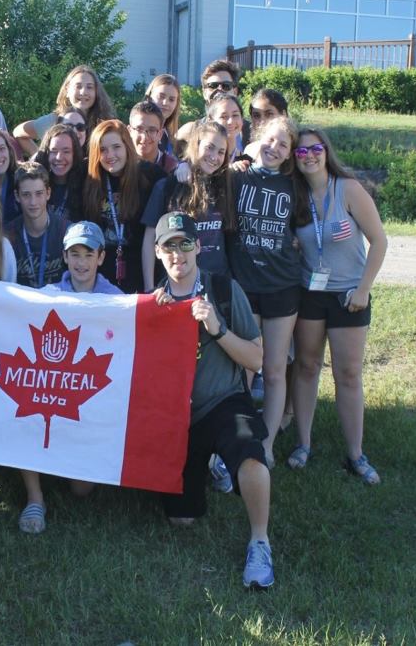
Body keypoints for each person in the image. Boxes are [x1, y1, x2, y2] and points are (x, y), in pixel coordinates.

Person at [153, 212, 273, 590]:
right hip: (179, 417)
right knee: (182, 518)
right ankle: (208, 463)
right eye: (169, 246)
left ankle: (260, 541)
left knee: (250, 453)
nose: (178, 254)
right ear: (158, 252)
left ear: (198, 247)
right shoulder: (152, 302)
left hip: (224, 402)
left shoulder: (223, 289)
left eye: (185, 244)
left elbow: (256, 359)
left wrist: (217, 328)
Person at [288, 128, 387, 483]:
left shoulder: (348, 189)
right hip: (310, 293)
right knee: (307, 366)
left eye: (315, 149)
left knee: (347, 374)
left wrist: (364, 288)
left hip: (349, 295)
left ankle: (356, 454)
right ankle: (303, 443)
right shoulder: (295, 195)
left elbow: (379, 241)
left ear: (326, 152)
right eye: (301, 152)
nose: (309, 156)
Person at [17, 220, 122, 534]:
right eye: (74, 254)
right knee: (25, 407)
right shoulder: (48, 295)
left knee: (81, 488)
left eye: (88, 254)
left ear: (101, 258)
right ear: (64, 257)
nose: (81, 262)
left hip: (87, 396)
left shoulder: (116, 300)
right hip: (50, 391)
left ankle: (62, 462)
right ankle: (35, 498)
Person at [228, 116, 303, 467]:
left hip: (281, 286)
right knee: (244, 368)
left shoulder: (293, 185)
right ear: (257, 139)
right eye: (270, 140)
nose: (274, 148)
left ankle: (267, 444)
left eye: (283, 144)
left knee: (273, 370)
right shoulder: (238, 175)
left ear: (289, 154)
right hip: (245, 285)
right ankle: (238, 439)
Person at [141, 120, 235, 290]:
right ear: (195, 145)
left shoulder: (225, 186)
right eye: (210, 147)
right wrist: (149, 286)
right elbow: (150, 238)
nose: (215, 157)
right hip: (176, 285)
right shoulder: (168, 186)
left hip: (217, 285)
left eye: (221, 152)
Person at [81, 119, 166, 293]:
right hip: (101, 281)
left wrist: (184, 166)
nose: (110, 155)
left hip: (143, 274)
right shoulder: (88, 178)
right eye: (103, 150)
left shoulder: (149, 175)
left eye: (116, 147)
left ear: (127, 146)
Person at [13, 65, 116, 157]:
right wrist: (38, 155)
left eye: (89, 87)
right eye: (78, 86)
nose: (83, 92)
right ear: (67, 90)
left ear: (96, 92)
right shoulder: (54, 121)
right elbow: (18, 132)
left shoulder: (105, 124)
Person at [5, 162, 68, 288]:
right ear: (17, 196)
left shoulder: (66, 232)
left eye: (39, 193)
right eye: (26, 195)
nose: (33, 202)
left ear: (48, 193)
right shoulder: (7, 236)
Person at [176, 59, 251, 144]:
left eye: (226, 86)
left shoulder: (251, 132)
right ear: (204, 93)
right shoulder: (190, 132)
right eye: (213, 86)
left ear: (235, 92)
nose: (219, 90)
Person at [32, 123, 85, 221]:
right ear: (46, 153)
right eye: (54, 151)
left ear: (74, 154)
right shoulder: (34, 185)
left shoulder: (86, 186)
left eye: (66, 151)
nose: (59, 157)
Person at [128, 100, 179, 173]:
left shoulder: (172, 168)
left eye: (152, 130)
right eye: (139, 129)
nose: (144, 137)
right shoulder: (120, 164)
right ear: (130, 131)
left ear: (160, 134)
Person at [144, 73, 181, 155]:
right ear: (149, 97)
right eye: (161, 96)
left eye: (171, 99)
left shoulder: (169, 135)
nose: (165, 103)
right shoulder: (140, 132)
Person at [207, 94, 250, 163]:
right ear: (210, 120)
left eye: (235, 115)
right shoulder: (203, 160)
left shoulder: (247, 162)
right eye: (223, 117)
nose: (230, 121)